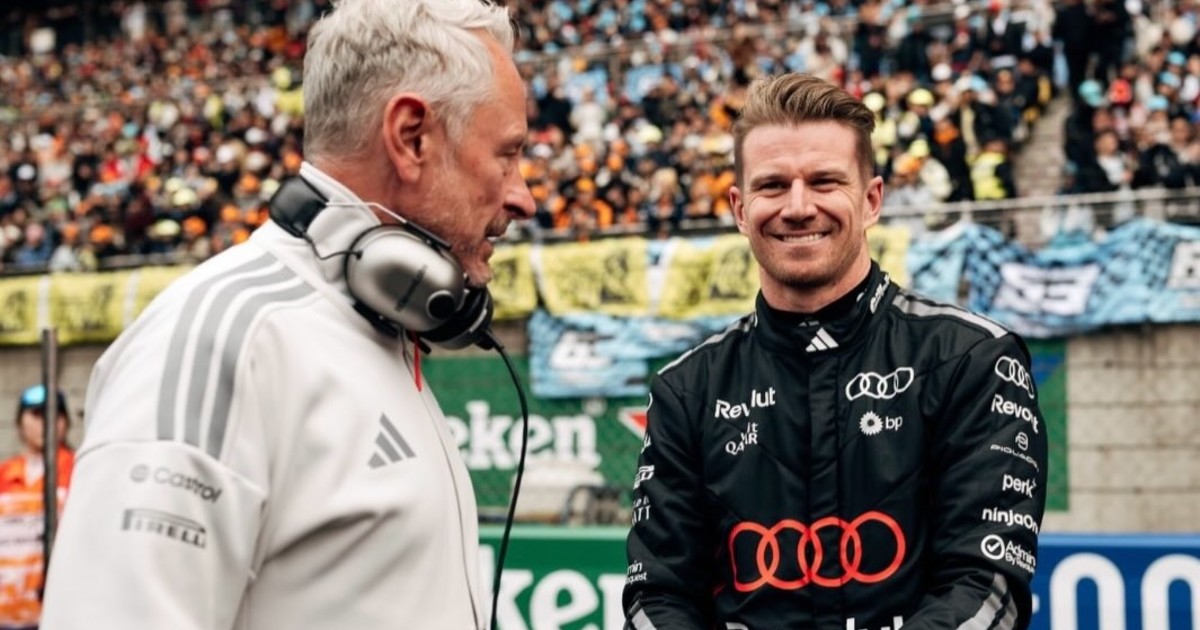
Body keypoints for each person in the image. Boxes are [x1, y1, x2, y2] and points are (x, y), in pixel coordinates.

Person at [41, 0, 535, 628]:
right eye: (507, 155)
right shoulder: (226, 341)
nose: (523, 196)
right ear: (411, 137)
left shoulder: (378, 332)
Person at [624, 73, 1047, 629]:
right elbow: (657, 599)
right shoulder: (686, 389)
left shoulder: (972, 361)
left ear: (871, 200)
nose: (798, 207)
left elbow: (985, 589)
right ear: (739, 209)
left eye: (824, 181)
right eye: (773, 186)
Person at [0, 385, 74, 630]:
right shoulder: (4, 475)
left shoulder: (80, 471)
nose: (46, 423)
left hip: (57, 615)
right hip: (6, 615)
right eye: (36, 414)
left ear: (65, 423)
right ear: (19, 423)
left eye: (55, 415)